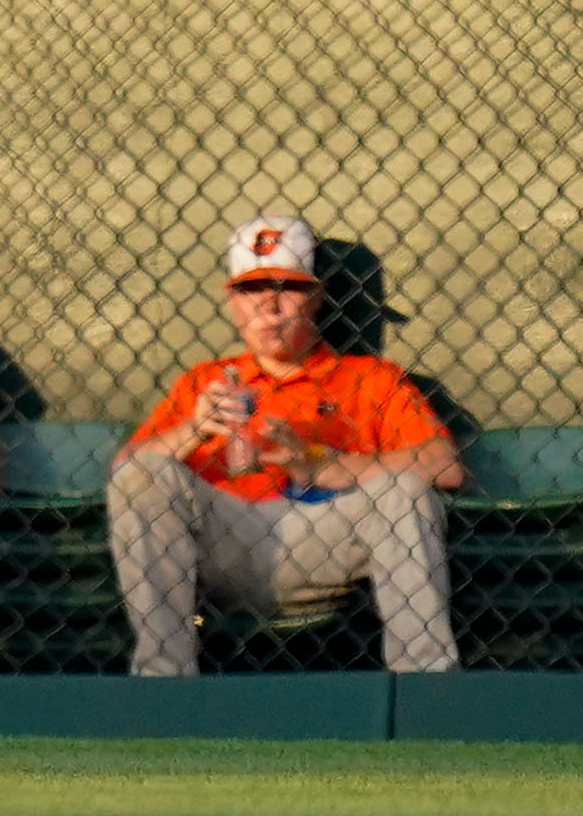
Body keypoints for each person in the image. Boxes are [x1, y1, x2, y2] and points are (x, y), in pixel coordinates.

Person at [109, 212, 465, 678]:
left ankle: (426, 685)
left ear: (317, 297)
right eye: (252, 290)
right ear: (232, 301)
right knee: (145, 475)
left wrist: (326, 467)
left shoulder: (370, 378)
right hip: (226, 540)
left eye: (289, 288)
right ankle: (164, 682)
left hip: (323, 537)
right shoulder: (204, 381)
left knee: (406, 492)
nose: (270, 307)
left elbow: (445, 466)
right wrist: (194, 430)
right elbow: (125, 472)